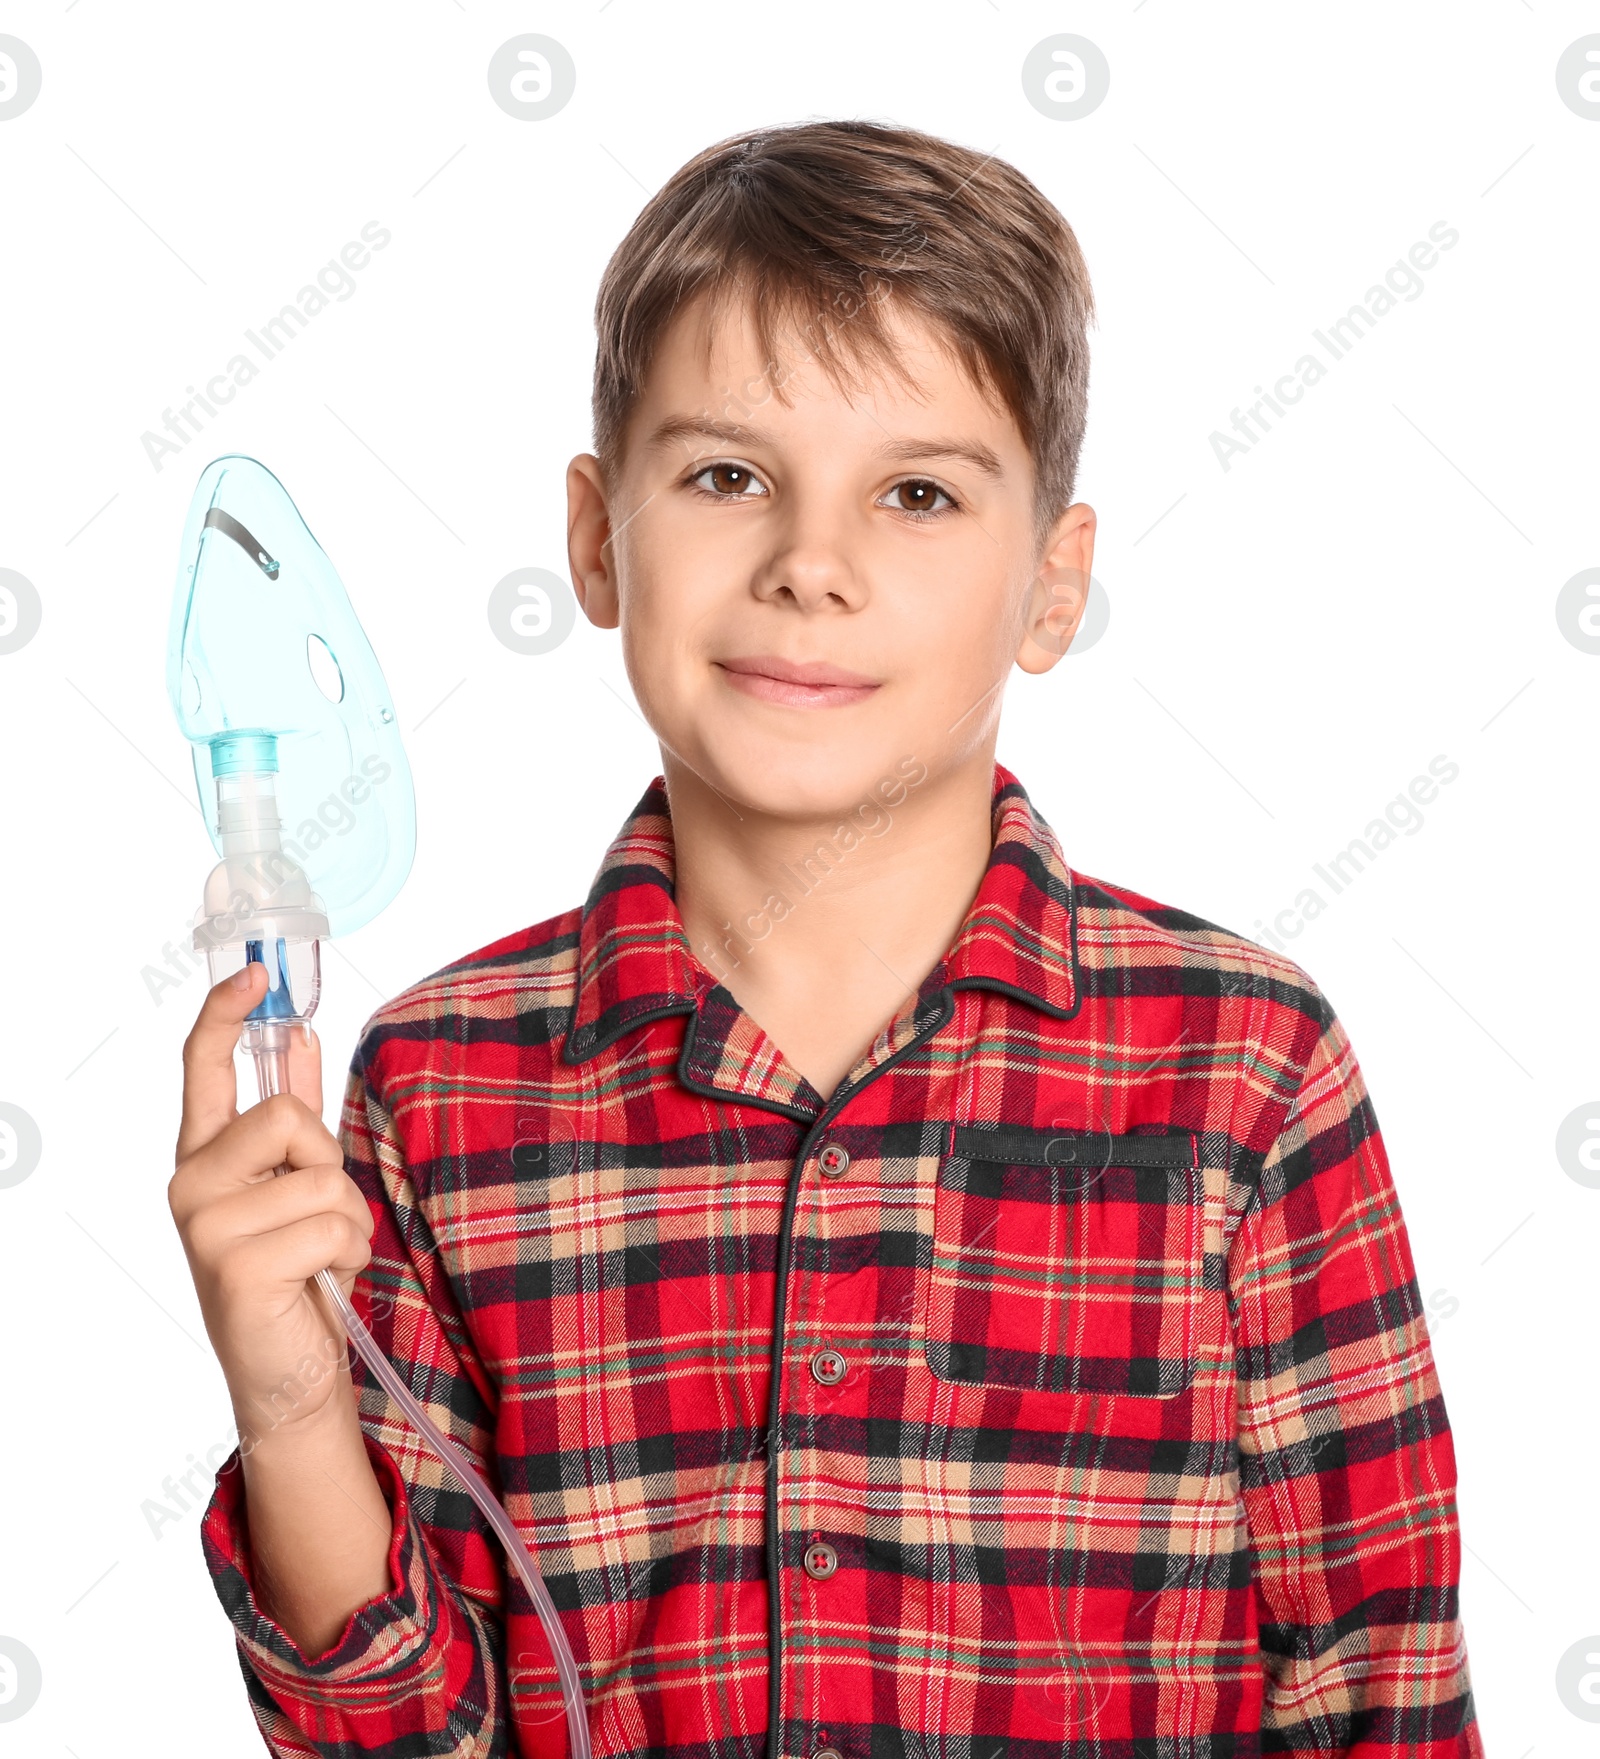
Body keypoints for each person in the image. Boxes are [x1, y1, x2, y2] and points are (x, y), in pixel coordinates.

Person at [170, 119, 1484, 1757]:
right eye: (729, 477)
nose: (810, 566)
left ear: (1053, 585)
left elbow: (1382, 1691)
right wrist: (291, 1399)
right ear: (598, 537)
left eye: (919, 494)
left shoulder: (1243, 1071)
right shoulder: (440, 1091)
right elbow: (409, 1741)